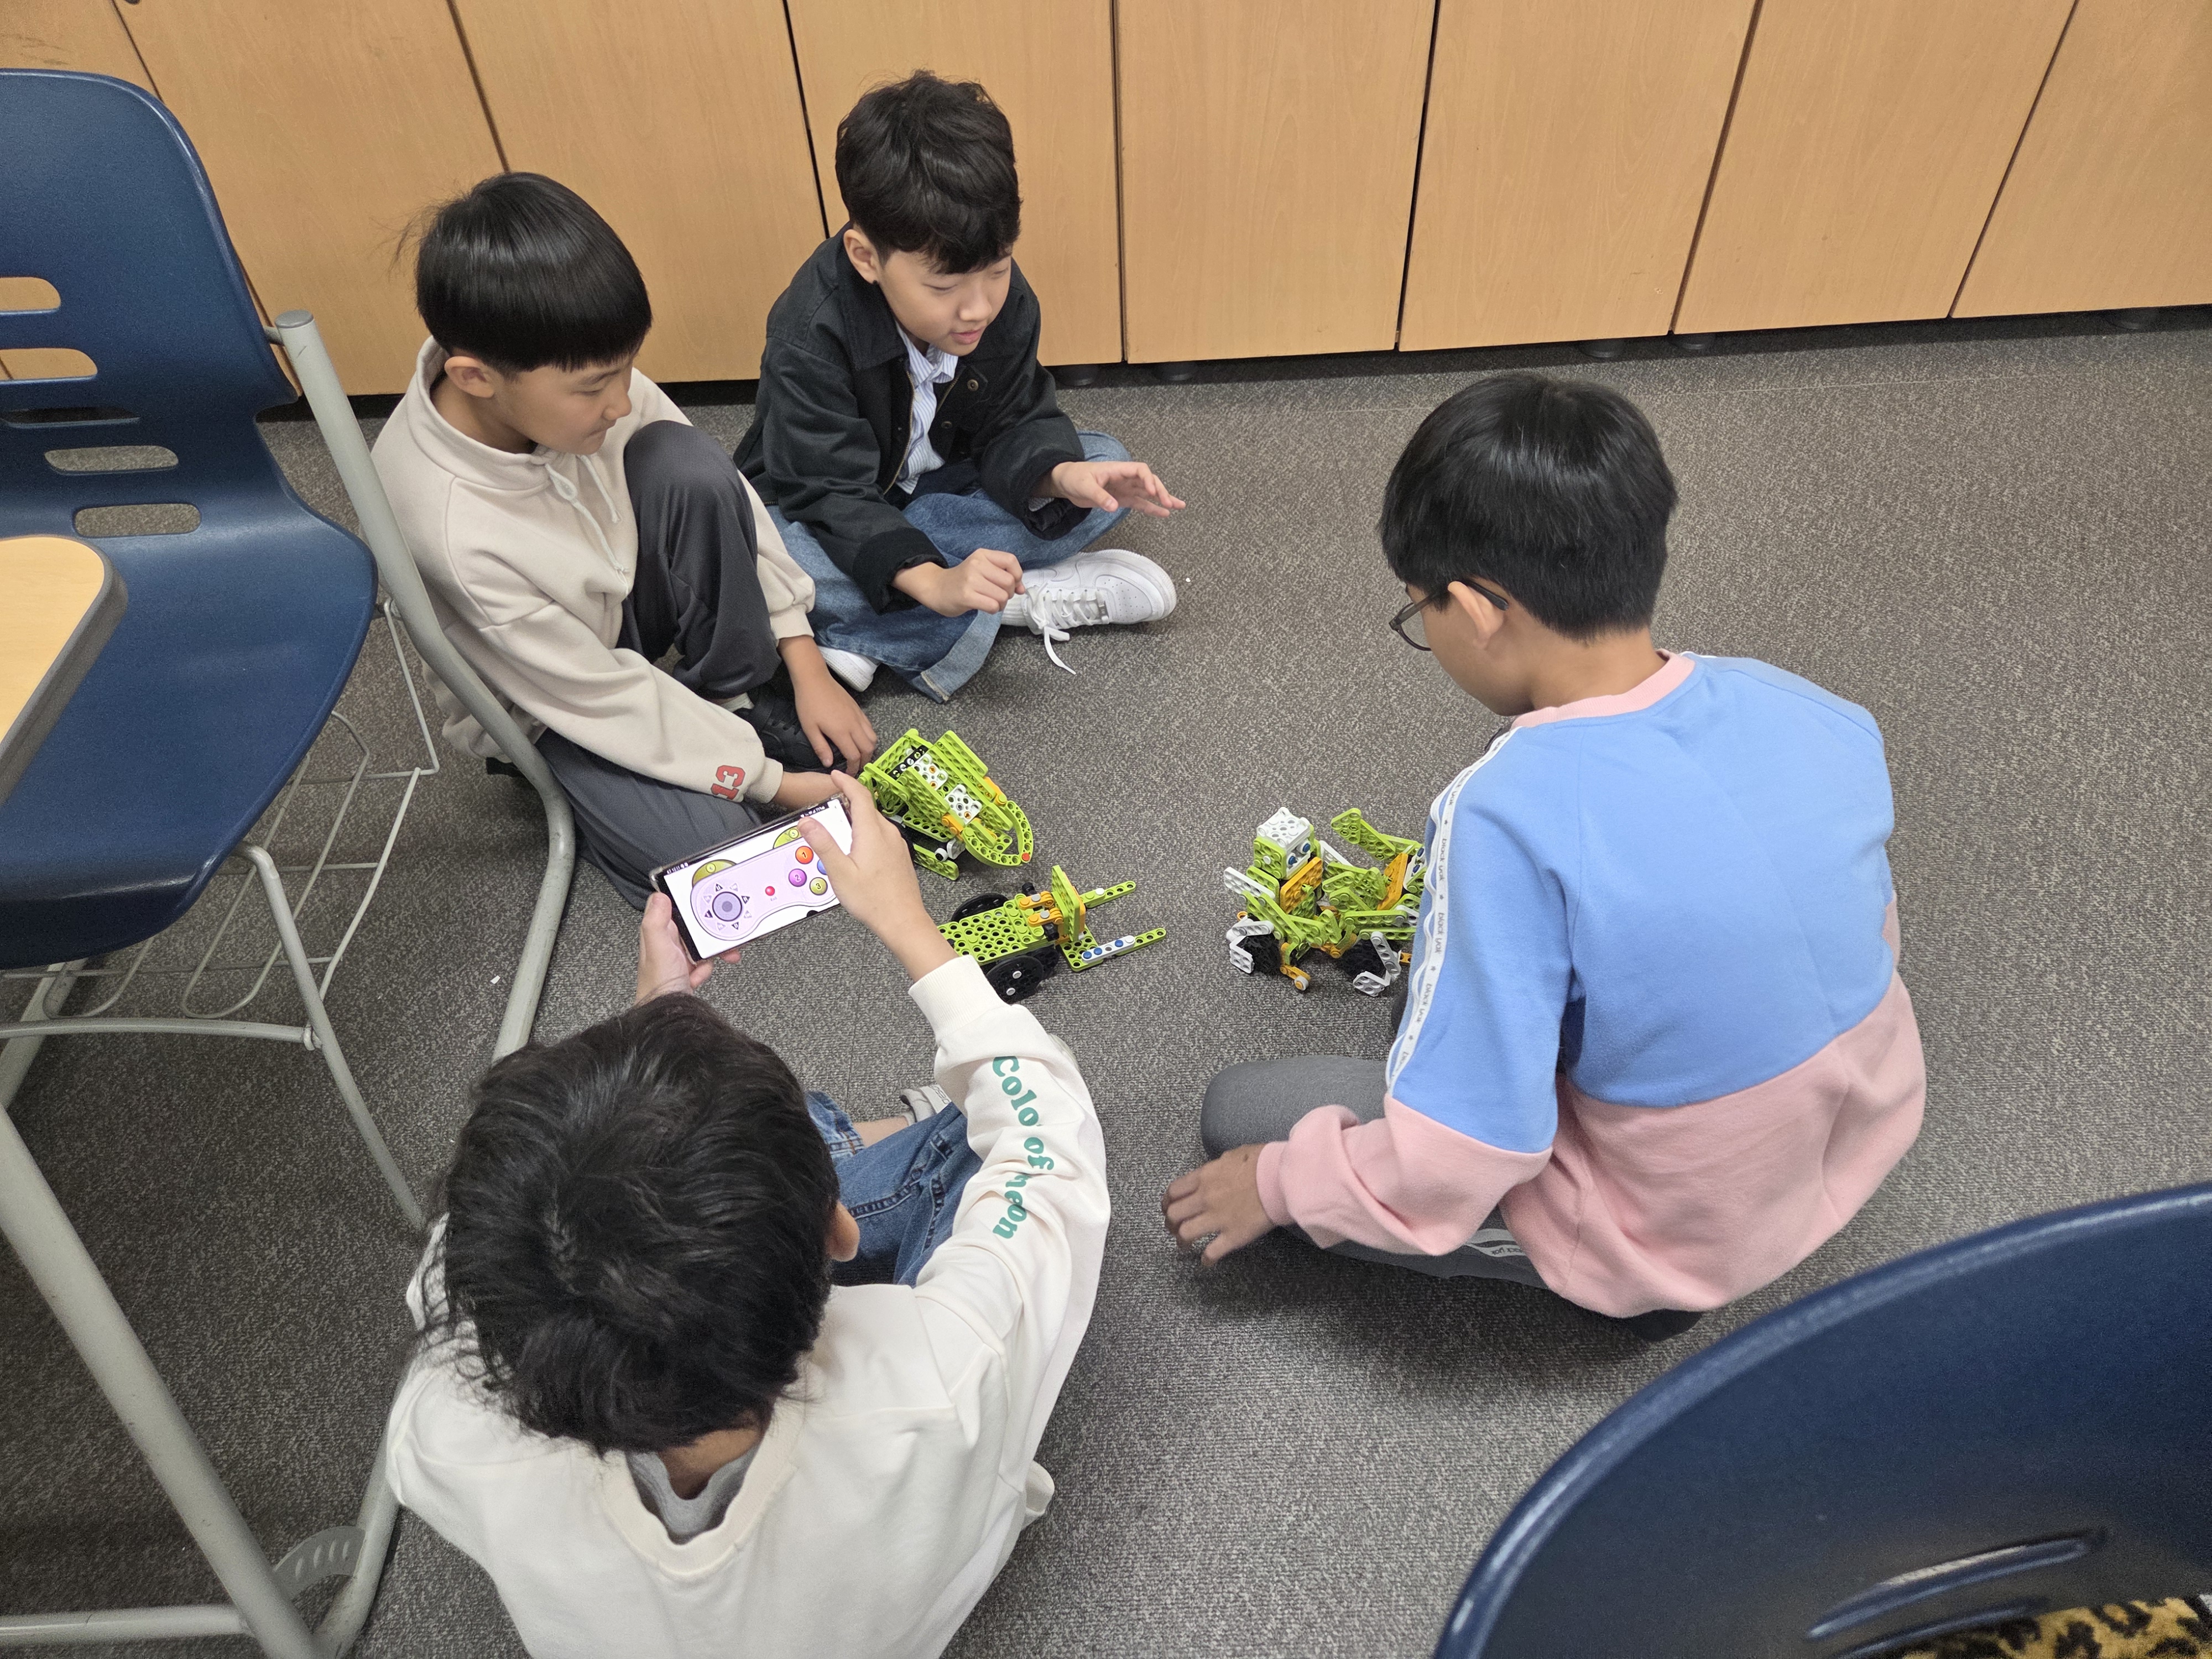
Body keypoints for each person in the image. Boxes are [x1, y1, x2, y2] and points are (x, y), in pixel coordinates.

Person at [1162, 373, 1925, 1338]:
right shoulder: (1806, 705)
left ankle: (1634, 1284)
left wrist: (1278, 1184)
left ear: (1479, 609)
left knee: (1241, 1113)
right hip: (1857, 1124)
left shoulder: (1503, 817)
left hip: (1673, 1237)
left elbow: (1459, 1159)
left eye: (1420, 613)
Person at [385, 774, 1109, 1658]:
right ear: (837, 1234)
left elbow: (460, 1254)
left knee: (754, 1135)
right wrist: (908, 925)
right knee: (954, 1129)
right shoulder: (942, 1381)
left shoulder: (440, 1438)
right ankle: (835, 1139)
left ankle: (817, 1137)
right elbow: (1050, 1142)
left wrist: (658, 1029)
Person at [373, 172, 877, 907]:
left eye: (627, 369)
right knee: (716, 865)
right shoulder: (449, 528)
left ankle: (730, 696)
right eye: (593, 388)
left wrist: (805, 665)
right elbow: (594, 694)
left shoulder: (564, 361)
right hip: (553, 699)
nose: (622, 400)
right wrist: (773, 781)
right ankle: (657, 763)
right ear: (476, 378)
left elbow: (723, 496)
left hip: (621, 603)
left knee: (689, 462)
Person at [736, 71, 1185, 699]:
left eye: (996, 270)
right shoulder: (810, 330)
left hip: (944, 485)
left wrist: (1059, 477)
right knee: (756, 557)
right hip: (829, 507)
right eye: (943, 288)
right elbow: (827, 490)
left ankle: (902, 617)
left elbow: (1015, 418)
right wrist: (928, 578)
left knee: (1101, 464)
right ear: (866, 258)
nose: (978, 308)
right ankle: (1004, 600)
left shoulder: (1001, 298)